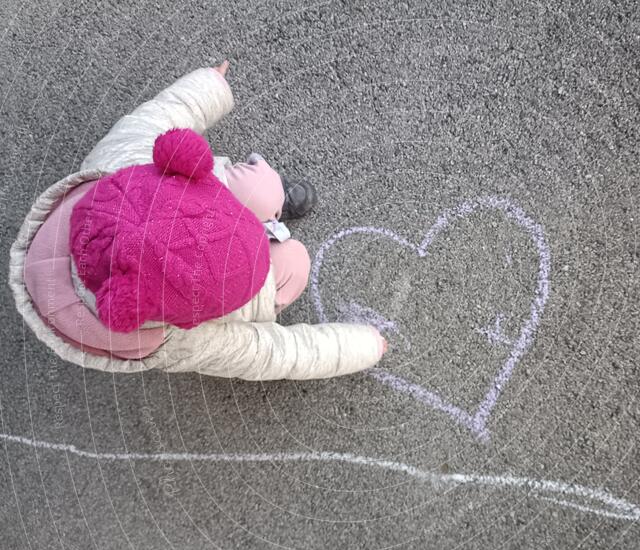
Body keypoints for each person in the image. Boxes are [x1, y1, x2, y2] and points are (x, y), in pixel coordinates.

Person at [9, 62, 387, 381]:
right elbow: (276, 353)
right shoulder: (179, 339)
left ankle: (264, 206)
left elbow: (160, 115)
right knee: (294, 262)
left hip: (143, 248)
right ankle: (268, 233)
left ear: (166, 169)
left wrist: (209, 85)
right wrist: (363, 346)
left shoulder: (121, 167)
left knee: (257, 192)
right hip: (157, 286)